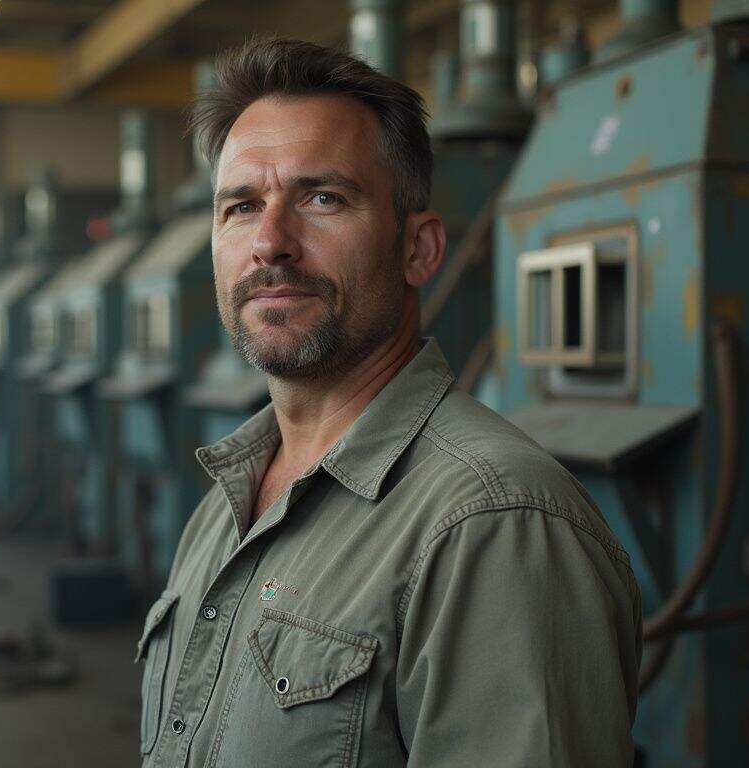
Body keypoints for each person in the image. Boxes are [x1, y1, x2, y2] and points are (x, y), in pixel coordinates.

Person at [136, 38, 641, 767]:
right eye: (241, 207)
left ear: (420, 249)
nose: (271, 241)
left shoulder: (492, 528)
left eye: (322, 198)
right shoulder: (224, 506)